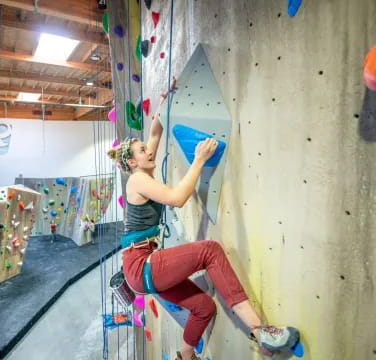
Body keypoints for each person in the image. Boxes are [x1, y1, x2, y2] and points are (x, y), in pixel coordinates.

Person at [107, 79, 300, 360]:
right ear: (133, 163)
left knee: (204, 308)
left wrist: (166, 99)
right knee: (209, 250)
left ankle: (185, 357)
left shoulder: (142, 172)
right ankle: (261, 332)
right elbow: (176, 198)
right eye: (141, 151)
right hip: (141, 265)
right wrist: (198, 160)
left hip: (141, 268)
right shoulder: (137, 179)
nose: (148, 151)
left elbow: (155, 132)